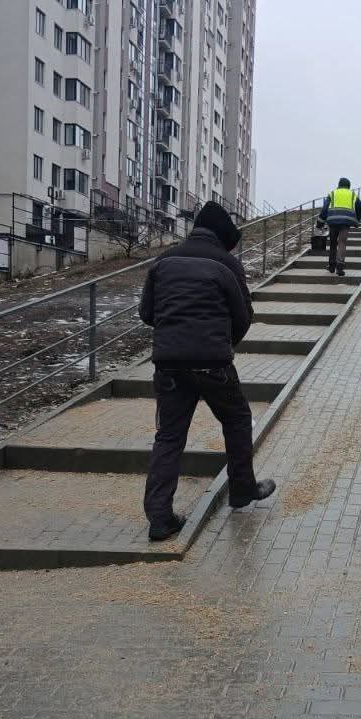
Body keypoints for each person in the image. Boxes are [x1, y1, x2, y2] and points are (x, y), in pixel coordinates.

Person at [139, 201, 276, 541]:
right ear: (222, 236)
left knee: (169, 436)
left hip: (169, 365)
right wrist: (222, 343)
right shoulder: (226, 264)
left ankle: (160, 518)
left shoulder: (164, 261)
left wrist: (174, 334)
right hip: (212, 364)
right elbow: (243, 316)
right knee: (237, 419)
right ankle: (242, 490)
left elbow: (146, 313)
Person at [318, 177, 361, 275]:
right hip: (346, 222)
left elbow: (325, 208)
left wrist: (320, 222)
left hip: (333, 221)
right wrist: (357, 219)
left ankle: (331, 266)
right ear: (348, 186)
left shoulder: (332, 193)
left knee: (333, 243)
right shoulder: (352, 194)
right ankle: (340, 265)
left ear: (339, 185)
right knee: (342, 242)